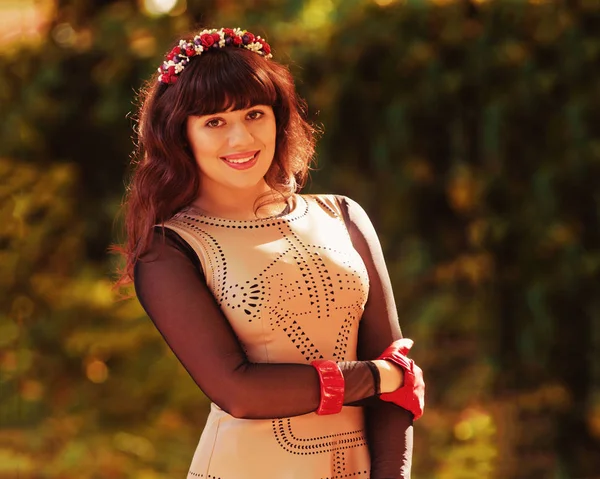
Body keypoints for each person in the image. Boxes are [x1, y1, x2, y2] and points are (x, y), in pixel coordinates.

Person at [115, 27, 425, 479]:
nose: (240, 139)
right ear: (182, 136)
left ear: (279, 119)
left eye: (254, 114)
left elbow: (397, 382)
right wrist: (380, 377)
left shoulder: (344, 215)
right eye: (214, 122)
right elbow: (240, 392)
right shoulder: (168, 250)